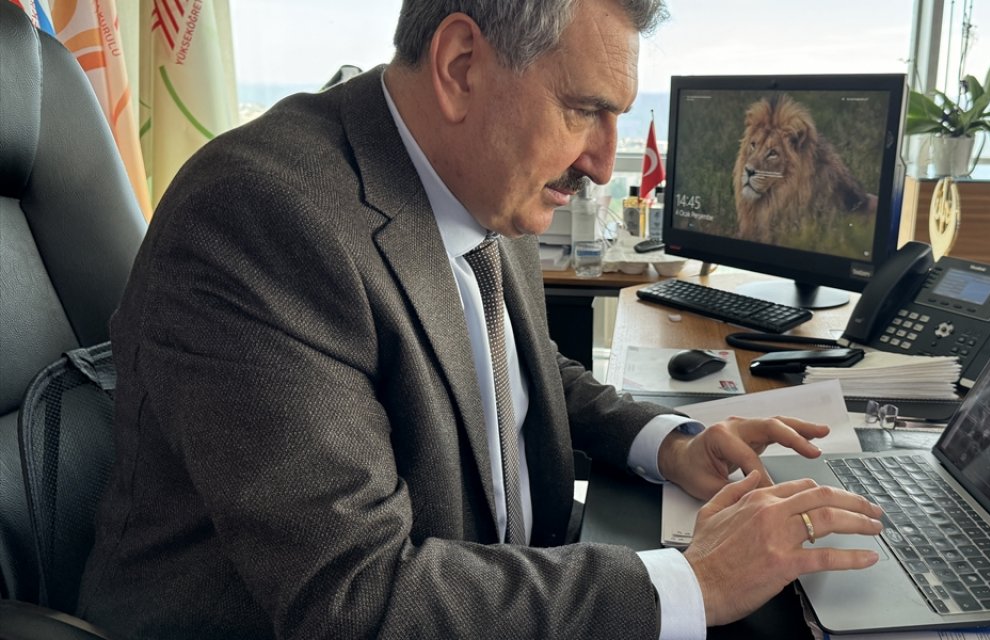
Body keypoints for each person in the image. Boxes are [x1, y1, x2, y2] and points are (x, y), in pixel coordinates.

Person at [76, 1, 884, 637]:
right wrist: (695, 584)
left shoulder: (483, 175)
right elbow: (355, 601)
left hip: (496, 577)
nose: (604, 162)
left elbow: (520, 368)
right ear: (462, 65)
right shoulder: (261, 219)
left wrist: (671, 445)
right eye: (583, 112)